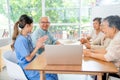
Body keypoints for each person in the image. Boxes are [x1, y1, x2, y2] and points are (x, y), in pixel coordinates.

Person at [11, 14, 58, 80]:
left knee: (53, 73)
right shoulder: (21, 40)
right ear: (27, 26)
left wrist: (39, 43)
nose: (33, 27)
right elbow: (28, 58)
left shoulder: (27, 36)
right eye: (32, 25)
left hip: (34, 63)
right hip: (28, 68)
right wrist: (37, 47)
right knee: (50, 77)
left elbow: (31, 51)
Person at [84, 15, 120, 80]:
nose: (103, 30)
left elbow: (107, 57)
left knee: (99, 69)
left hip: (116, 69)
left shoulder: (117, 39)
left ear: (113, 29)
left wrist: (90, 54)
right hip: (113, 65)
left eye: (104, 27)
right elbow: (106, 50)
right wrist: (91, 51)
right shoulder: (115, 37)